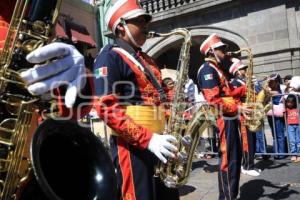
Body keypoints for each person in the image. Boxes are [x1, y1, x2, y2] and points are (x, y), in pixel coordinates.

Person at [93, 0, 179, 199]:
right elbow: (105, 108)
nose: (145, 26)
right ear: (121, 27)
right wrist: (148, 140)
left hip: (161, 140)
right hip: (132, 147)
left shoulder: (146, 59)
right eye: (139, 21)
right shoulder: (109, 57)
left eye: (145, 21)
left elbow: (160, 95)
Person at [197, 33, 248, 200]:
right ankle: (226, 197)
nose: (225, 52)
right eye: (221, 49)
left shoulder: (217, 69)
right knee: (229, 160)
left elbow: (228, 93)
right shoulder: (207, 70)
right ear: (211, 51)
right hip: (223, 119)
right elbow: (214, 100)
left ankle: (231, 195)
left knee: (235, 157)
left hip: (229, 116)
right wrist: (237, 107)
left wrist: (244, 91)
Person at [229, 58, 260, 176]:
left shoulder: (247, 81)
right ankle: (247, 166)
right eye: (243, 69)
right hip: (242, 115)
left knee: (253, 139)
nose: (246, 70)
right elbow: (232, 98)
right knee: (247, 141)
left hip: (251, 113)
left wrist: (256, 85)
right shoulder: (234, 83)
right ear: (237, 71)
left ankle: (249, 164)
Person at [266, 73, 287, 159]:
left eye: (272, 82)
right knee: (274, 134)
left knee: (279, 134)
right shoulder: (268, 89)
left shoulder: (282, 88)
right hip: (270, 114)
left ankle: (281, 153)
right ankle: (276, 153)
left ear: (277, 82)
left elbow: (273, 93)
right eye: (269, 82)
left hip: (278, 115)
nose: (270, 83)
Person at [285, 94, 300, 162]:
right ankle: (294, 154)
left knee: (298, 141)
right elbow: (283, 114)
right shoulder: (286, 109)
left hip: (298, 125)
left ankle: (299, 154)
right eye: (288, 102)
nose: (289, 104)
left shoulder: (298, 108)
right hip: (290, 126)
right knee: (292, 141)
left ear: (294, 102)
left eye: (291, 102)